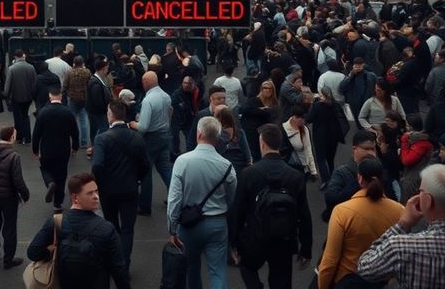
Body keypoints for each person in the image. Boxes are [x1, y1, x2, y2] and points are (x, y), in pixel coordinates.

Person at [231, 123, 312, 289]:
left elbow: (238, 210)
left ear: (262, 143)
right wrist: (306, 248)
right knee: (281, 281)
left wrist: (233, 242)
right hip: (284, 238)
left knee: (247, 268)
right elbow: (304, 215)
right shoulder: (295, 176)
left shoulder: (249, 174)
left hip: (255, 237)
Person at [167, 116, 237, 289]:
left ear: (199, 134)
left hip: (189, 225)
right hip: (217, 223)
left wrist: (172, 227)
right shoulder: (226, 166)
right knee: (218, 271)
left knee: (192, 268)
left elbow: (174, 199)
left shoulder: (182, 161)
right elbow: (232, 196)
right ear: (218, 137)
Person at [357, 163, 445, 287]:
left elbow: (364, 268)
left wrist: (403, 224)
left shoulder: (401, 247)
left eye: (421, 191)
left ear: (428, 201)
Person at [27, 172, 130, 289]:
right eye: (90, 193)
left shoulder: (55, 222)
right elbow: (118, 270)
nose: (96, 197)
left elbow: (33, 252)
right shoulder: (106, 229)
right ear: (75, 198)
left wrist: (52, 253)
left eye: (96, 191)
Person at [317, 157, 403, 289]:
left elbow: (330, 260)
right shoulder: (400, 210)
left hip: (349, 280)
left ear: (360, 178)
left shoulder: (342, 211)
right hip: (382, 280)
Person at [91, 99, 150, 267]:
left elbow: (97, 165)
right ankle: (124, 262)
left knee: (111, 225)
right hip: (130, 189)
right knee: (128, 229)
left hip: (108, 190)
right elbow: (145, 165)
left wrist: (100, 184)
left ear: (110, 114)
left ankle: (114, 259)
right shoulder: (137, 138)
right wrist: (137, 178)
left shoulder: (102, 139)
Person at [0, 125, 30, 268]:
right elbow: (18, 180)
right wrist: (25, 194)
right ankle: (8, 259)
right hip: (8, 197)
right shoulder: (13, 156)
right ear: (12, 137)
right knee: (9, 228)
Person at [131, 70, 173, 216]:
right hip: (165, 135)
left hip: (151, 139)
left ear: (146, 82)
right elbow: (169, 113)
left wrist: (132, 124)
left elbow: (143, 127)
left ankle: (144, 206)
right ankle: (176, 196)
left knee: (145, 172)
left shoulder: (148, 101)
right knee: (165, 169)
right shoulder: (166, 96)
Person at [31, 85, 79, 213]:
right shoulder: (68, 112)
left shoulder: (43, 112)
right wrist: (75, 146)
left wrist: (35, 149)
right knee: (62, 175)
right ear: (61, 97)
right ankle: (57, 203)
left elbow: (36, 133)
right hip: (63, 149)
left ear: (50, 96)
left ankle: (50, 182)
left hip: (47, 148)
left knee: (45, 168)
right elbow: (75, 132)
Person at [323, 129, 378, 219]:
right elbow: (331, 199)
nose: (371, 153)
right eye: (366, 149)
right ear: (354, 149)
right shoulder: (342, 173)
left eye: (373, 149)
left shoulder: (379, 170)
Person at [306, 86, 347, 188]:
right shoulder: (336, 105)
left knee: (320, 158)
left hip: (320, 135)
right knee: (330, 158)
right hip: (333, 135)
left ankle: (326, 179)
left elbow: (309, 119)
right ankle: (333, 176)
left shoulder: (317, 106)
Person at [240, 80, 281, 162]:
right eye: (265, 88)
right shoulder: (254, 100)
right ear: (261, 89)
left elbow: (274, 114)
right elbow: (246, 110)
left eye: (270, 88)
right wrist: (263, 111)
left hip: (265, 133)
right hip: (251, 132)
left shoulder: (274, 103)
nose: (267, 90)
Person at [4, 49, 36, 144]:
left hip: (16, 97)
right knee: (26, 116)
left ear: (15, 57)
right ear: (23, 56)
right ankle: (28, 138)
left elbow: (8, 85)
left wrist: (6, 95)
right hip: (28, 97)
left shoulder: (12, 69)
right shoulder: (31, 67)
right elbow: (34, 83)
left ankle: (19, 137)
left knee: (17, 117)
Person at [280, 105, 318, 179]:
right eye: (301, 119)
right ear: (294, 117)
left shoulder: (304, 129)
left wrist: (313, 170)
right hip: (290, 168)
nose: (304, 122)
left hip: (303, 167)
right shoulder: (283, 130)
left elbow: (308, 149)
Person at [340, 57, 376, 129]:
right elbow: (342, 87)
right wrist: (351, 76)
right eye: (356, 66)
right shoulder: (351, 75)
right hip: (354, 103)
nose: (357, 68)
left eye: (359, 66)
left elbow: (371, 89)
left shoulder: (369, 75)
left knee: (366, 121)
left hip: (365, 102)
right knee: (358, 122)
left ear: (363, 65)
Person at [64, 55, 91, 150]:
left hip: (72, 98)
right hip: (84, 98)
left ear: (74, 63)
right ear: (82, 63)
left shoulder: (69, 72)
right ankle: (84, 142)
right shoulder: (87, 72)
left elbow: (65, 85)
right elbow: (90, 84)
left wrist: (68, 92)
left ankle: (71, 141)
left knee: (71, 121)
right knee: (83, 120)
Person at [171, 75, 202, 157]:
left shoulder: (193, 93)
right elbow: (171, 108)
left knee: (189, 138)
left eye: (188, 83)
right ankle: (176, 153)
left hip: (188, 119)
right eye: (184, 83)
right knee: (175, 139)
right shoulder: (177, 94)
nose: (185, 85)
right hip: (177, 119)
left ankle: (190, 153)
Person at [87, 57, 113, 148]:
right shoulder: (96, 83)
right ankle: (97, 147)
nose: (107, 71)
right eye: (107, 69)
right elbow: (97, 101)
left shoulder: (96, 80)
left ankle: (95, 147)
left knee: (96, 131)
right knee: (103, 130)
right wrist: (106, 109)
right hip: (99, 112)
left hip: (95, 112)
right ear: (103, 69)